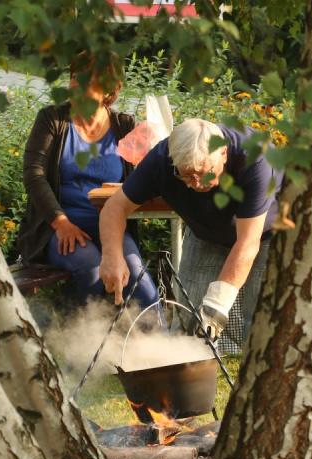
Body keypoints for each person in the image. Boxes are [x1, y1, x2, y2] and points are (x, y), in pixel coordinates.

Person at [98, 118, 283, 351]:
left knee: (260, 322)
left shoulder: (255, 158)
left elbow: (247, 243)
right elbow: (114, 208)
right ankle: (189, 371)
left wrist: (217, 304)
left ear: (223, 153)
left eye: (204, 174)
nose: (196, 184)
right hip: (206, 232)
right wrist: (112, 255)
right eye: (186, 175)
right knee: (189, 319)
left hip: (267, 234)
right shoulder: (161, 159)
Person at [17, 55, 160, 310]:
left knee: (139, 281)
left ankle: (160, 337)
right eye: (74, 77)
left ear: (109, 91)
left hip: (112, 225)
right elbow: (34, 175)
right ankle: (77, 335)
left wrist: (151, 155)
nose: (76, 85)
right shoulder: (53, 120)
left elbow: (141, 180)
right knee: (91, 270)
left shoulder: (124, 126)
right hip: (60, 226)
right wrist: (60, 222)